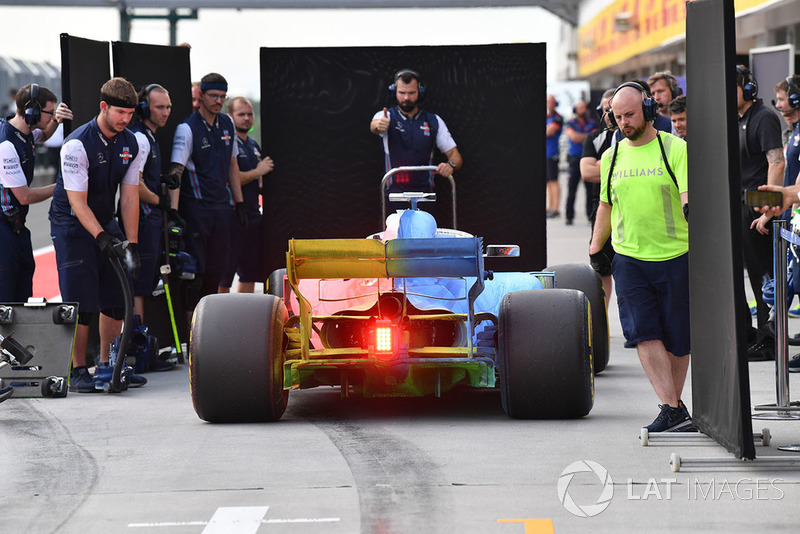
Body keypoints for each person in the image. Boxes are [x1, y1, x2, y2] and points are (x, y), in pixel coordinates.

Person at [589, 82, 691, 432]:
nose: (624, 123)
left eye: (630, 114)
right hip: (629, 258)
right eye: (617, 117)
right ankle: (670, 406)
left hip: (676, 253)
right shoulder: (611, 156)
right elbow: (605, 205)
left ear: (648, 109)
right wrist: (594, 248)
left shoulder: (675, 148)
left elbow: (687, 193)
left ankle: (675, 409)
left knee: (678, 339)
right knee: (644, 333)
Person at [49, 77, 146, 393]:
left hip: (105, 219)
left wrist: (130, 242)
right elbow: (77, 202)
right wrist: (101, 237)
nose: (125, 120)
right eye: (119, 112)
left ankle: (107, 364)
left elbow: (130, 196)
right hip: (72, 223)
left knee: (117, 297)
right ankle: (78, 369)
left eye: (129, 114)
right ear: (103, 107)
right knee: (82, 300)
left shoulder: (131, 142)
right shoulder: (77, 144)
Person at [168, 72, 246, 310]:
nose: (218, 101)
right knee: (196, 273)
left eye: (223, 96)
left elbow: (233, 164)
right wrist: (173, 210)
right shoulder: (187, 128)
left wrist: (240, 202)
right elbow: (176, 171)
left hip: (222, 208)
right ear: (201, 95)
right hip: (197, 209)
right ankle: (191, 328)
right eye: (213, 96)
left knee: (217, 271)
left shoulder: (228, 123)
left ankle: (210, 323)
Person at [0, 84, 72, 301]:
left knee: (23, 290)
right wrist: (62, 187)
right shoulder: (6, 144)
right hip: (3, 227)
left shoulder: (25, 132)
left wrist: (57, 119)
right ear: (32, 112)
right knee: (6, 298)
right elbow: (24, 196)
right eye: (49, 112)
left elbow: (44, 134)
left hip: (16, 226)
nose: (51, 118)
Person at [736, 65, 786, 361]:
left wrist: (769, 209)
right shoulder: (737, 118)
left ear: (749, 89)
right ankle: (750, 334)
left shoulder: (763, 116)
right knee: (743, 275)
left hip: (757, 204)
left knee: (762, 276)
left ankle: (768, 340)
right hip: (740, 203)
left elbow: (776, 163)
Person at [370, 69, 462, 220]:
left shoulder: (434, 121)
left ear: (420, 92)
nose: (406, 97)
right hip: (393, 196)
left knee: (426, 242)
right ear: (394, 92)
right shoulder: (385, 117)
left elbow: (456, 156)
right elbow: (374, 126)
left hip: (426, 196)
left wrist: (450, 165)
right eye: (402, 92)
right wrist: (379, 125)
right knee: (392, 242)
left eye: (412, 93)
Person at [128, 84, 179, 343]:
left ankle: (143, 341)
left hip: (151, 219)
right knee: (140, 284)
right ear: (145, 108)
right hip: (144, 219)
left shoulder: (149, 136)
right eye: (160, 107)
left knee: (147, 282)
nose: (166, 112)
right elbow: (134, 184)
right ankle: (138, 343)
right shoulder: (140, 138)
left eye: (168, 107)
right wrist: (161, 201)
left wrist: (160, 179)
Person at [218, 96, 274, 294]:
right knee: (226, 273)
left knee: (250, 272)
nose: (247, 118)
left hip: (253, 214)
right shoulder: (226, 144)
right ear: (229, 116)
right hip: (232, 215)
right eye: (241, 114)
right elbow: (229, 179)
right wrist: (257, 172)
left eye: (250, 114)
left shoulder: (253, 145)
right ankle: (220, 317)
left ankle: (244, 317)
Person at [580, 88, 616, 307]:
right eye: (607, 110)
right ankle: (603, 322)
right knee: (602, 267)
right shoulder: (594, 138)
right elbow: (587, 172)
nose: (611, 115)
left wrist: (601, 165)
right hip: (602, 208)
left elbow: (595, 169)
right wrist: (618, 163)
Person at [564, 100, 596, 225]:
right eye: (580, 108)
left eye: (584, 107)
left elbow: (592, 136)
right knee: (572, 189)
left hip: (588, 158)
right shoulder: (570, 123)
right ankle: (569, 216)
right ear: (575, 110)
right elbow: (573, 137)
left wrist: (581, 136)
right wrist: (586, 136)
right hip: (574, 159)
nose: (582, 110)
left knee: (590, 190)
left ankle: (590, 215)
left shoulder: (592, 122)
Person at [545, 94, 563, 218]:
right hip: (545, 153)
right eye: (547, 101)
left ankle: (556, 208)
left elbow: (548, 131)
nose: (548, 104)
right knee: (547, 182)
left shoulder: (557, 118)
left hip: (552, 153)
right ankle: (549, 206)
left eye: (551, 101)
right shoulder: (547, 117)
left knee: (553, 181)